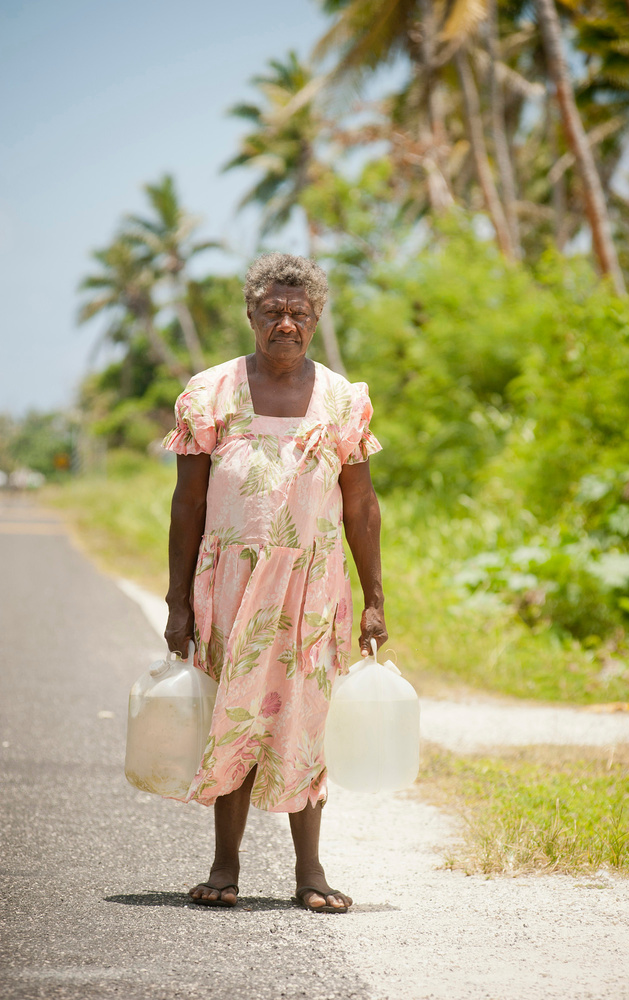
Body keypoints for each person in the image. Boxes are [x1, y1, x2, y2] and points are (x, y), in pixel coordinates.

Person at [162, 252, 387, 913]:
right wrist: (177, 601)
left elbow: (362, 507)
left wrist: (375, 600)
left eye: (299, 312)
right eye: (272, 311)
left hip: (314, 589)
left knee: (305, 721)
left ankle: (310, 872)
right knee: (235, 715)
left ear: (315, 318)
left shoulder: (343, 400)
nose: (285, 322)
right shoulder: (211, 393)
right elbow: (188, 506)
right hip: (229, 583)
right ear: (250, 315)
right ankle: (225, 867)